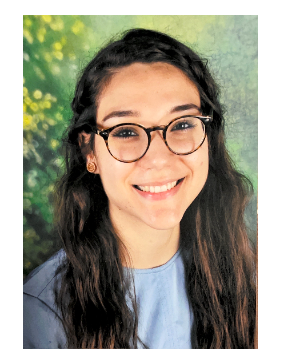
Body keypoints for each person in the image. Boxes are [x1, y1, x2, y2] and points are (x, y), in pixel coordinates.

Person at [23, 28, 257, 349]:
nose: (159, 159)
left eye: (184, 124)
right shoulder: (37, 315)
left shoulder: (249, 272)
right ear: (90, 152)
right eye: (126, 131)